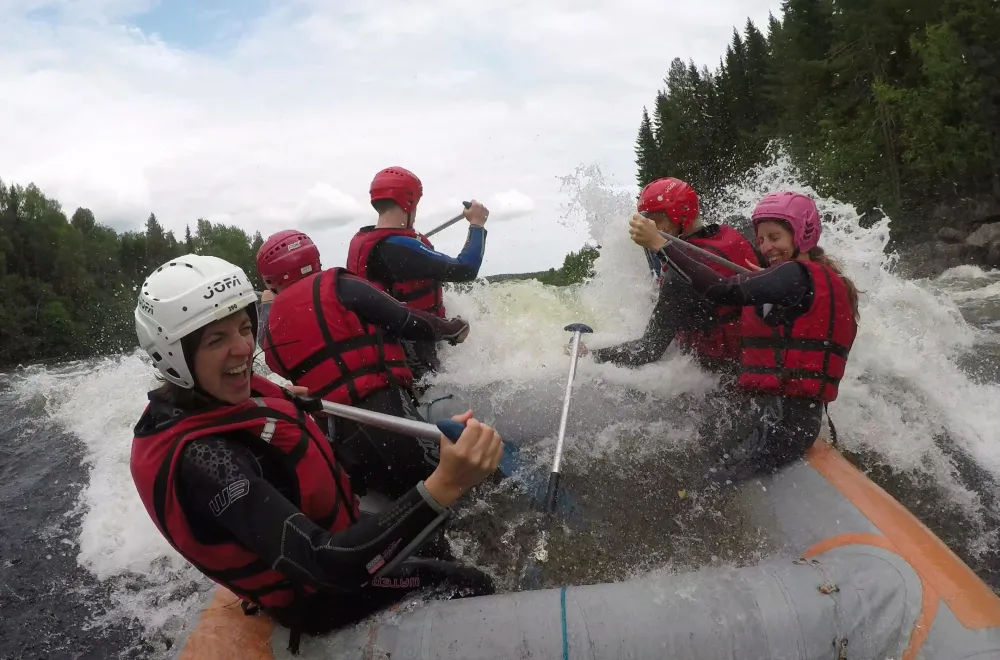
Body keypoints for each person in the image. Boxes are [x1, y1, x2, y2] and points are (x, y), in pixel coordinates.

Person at [129, 254, 501, 654]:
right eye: (217, 340)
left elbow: (261, 419)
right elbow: (327, 564)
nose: (243, 349)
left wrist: (282, 399)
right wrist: (445, 484)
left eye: (244, 327)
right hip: (319, 593)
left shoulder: (207, 397)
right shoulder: (204, 462)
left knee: (435, 539)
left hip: (336, 527)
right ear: (173, 357)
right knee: (466, 580)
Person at [635, 191, 860, 482]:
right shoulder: (810, 279)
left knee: (700, 480)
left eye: (775, 237)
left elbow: (719, 289)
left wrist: (660, 245)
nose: (767, 247)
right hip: (791, 420)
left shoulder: (795, 276)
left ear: (803, 235)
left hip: (780, 421)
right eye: (762, 239)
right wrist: (767, 281)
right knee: (703, 452)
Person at [256, 229, 473, 501]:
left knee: (406, 504)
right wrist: (451, 329)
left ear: (271, 280)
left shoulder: (268, 324)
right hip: (388, 416)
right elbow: (405, 320)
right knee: (463, 487)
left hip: (341, 439)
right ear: (314, 257)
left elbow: (275, 359)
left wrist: (268, 303)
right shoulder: (339, 285)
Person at [581, 177, 762, 378]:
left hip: (721, 376)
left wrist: (591, 355)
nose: (649, 228)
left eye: (656, 220)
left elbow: (648, 350)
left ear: (681, 216)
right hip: (752, 353)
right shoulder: (733, 235)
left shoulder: (678, 278)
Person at [346, 166, 490, 381]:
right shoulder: (397, 248)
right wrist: (477, 224)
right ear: (409, 202)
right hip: (412, 349)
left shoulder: (368, 241)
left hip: (387, 347)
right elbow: (465, 269)